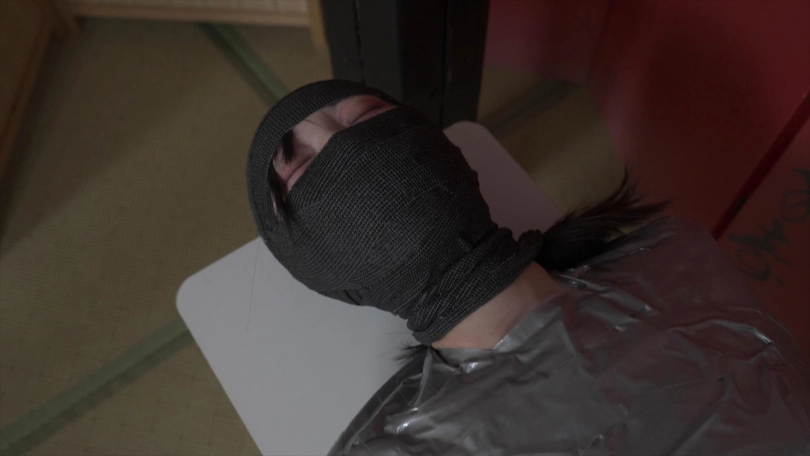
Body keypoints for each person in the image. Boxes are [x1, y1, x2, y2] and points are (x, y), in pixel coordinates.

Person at [247, 80, 810, 455]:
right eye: (300, 167)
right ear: (313, 266)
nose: (341, 141)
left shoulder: (679, 260)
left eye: (368, 115)